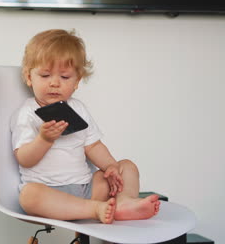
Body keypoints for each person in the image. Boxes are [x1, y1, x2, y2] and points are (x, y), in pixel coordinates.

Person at [10, 29, 160, 224]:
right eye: (45, 75)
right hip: (50, 193)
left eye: (64, 77)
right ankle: (96, 209)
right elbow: (24, 159)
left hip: (87, 188)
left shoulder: (78, 108)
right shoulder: (27, 113)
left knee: (127, 166)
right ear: (29, 77)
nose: (55, 83)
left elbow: (93, 146)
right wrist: (44, 140)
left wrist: (111, 166)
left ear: (77, 82)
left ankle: (124, 203)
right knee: (29, 195)